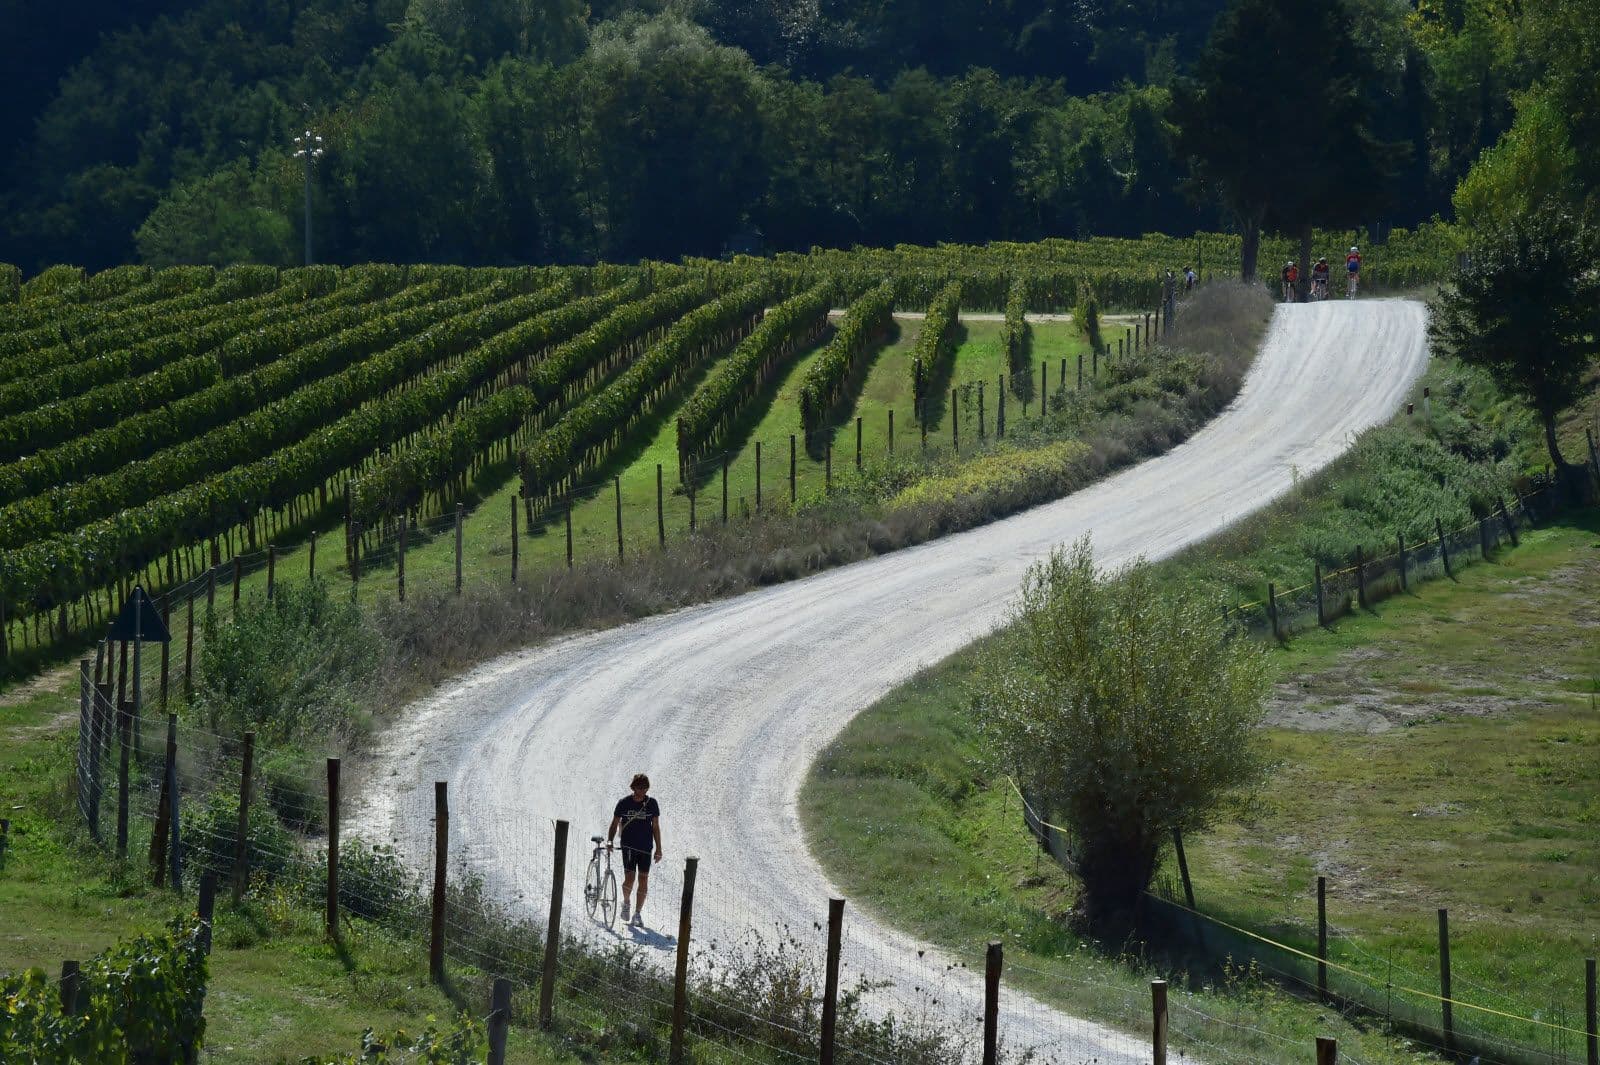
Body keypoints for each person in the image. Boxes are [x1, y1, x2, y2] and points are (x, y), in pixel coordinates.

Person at [608, 773, 663, 925]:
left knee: (644, 878)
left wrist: (659, 848)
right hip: (629, 846)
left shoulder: (652, 804)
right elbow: (614, 824)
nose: (642, 791)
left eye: (645, 788)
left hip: (646, 847)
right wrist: (609, 841)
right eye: (639, 788)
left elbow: (656, 827)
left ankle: (637, 913)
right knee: (630, 878)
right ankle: (626, 903)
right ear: (633, 787)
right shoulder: (624, 803)